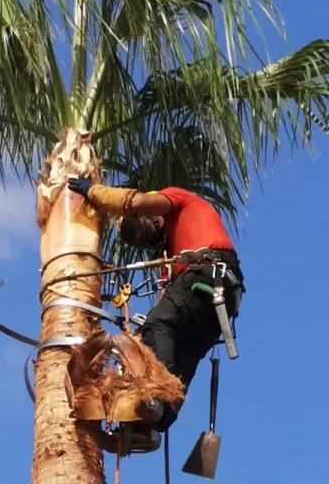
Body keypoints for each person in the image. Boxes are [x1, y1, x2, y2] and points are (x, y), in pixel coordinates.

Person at [67, 177, 245, 444]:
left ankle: (152, 396)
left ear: (154, 218)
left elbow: (136, 201)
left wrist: (92, 191)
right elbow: (166, 300)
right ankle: (153, 420)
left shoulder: (178, 198)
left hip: (207, 277)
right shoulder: (174, 254)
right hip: (220, 300)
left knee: (158, 327)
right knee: (173, 352)